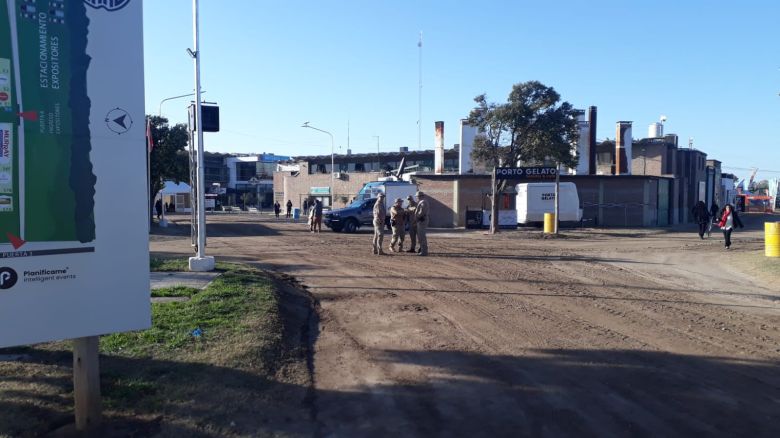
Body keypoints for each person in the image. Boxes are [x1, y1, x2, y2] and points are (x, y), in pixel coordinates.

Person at [414, 191, 429, 256]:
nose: (416, 198)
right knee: (420, 236)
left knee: (422, 236)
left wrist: (417, 216)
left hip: (422, 220)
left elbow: (422, 212)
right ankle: (422, 250)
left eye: (417, 196)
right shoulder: (422, 202)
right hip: (421, 220)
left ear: (420, 196)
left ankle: (424, 251)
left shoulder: (423, 202)